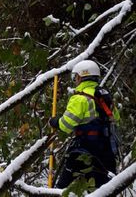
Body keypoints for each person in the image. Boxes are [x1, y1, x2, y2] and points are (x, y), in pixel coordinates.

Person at [49, 60, 118, 189]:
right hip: (107, 148)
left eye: (76, 77)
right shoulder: (104, 95)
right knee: (105, 189)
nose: (75, 80)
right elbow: (115, 117)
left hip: (85, 149)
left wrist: (54, 122)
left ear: (81, 76)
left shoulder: (79, 98)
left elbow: (65, 125)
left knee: (63, 187)